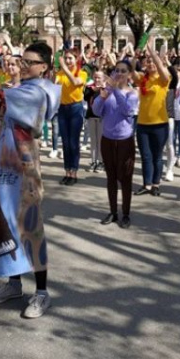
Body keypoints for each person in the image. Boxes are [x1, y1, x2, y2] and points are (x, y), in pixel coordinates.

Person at [0, 35, 61, 319]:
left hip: (24, 168)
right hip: (5, 165)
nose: (23, 65)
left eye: (30, 62)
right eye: (22, 60)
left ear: (44, 67)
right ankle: (13, 283)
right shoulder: (20, 88)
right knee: (6, 225)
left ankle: (42, 292)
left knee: (30, 227)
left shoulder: (38, 91)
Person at [92, 61, 139, 227]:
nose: (119, 73)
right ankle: (113, 212)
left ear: (129, 75)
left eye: (123, 71)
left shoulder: (132, 93)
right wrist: (101, 96)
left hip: (125, 141)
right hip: (107, 139)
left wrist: (116, 90)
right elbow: (97, 111)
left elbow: (128, 111)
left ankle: (125, 213)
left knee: (125, 179)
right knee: (111, 177)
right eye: (116, 70)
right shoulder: (109, 91)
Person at [134, 39, 171, 197]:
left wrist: (153, 52)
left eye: (152, 61)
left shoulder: (163, 78)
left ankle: (156, 184)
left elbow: (163, 71)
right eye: (147, 61)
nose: (150, 63)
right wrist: (135, 55)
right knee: (145, 156)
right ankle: (147, 184)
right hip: (142, 123)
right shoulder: (143, 78)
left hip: (159, 124)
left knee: (157, 156)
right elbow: (130, 69)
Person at [55, 50, 87, 186]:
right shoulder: (60, 73)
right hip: (62, 108)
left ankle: (74, 172)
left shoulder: (82, 73)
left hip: (75, 108)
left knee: (73, 142)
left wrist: (64, 68)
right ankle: (67, 171)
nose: (68, 61)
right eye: (66, 58)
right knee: (66, 142)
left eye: (70, 59)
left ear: (77, 59)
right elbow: (54, 86)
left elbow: (75, 82)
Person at [83, 70, 105, 173]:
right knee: (93, 140)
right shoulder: (89, 87)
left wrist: (101, 89)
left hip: (102, 118)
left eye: (99, 78)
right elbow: (86, 96)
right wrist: (93, 89)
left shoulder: (105, 89)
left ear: (103, 79)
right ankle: (93, 161)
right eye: (95, 77)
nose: (97, 80)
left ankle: (101, 162)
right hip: (91, 116)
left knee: (100, 141)